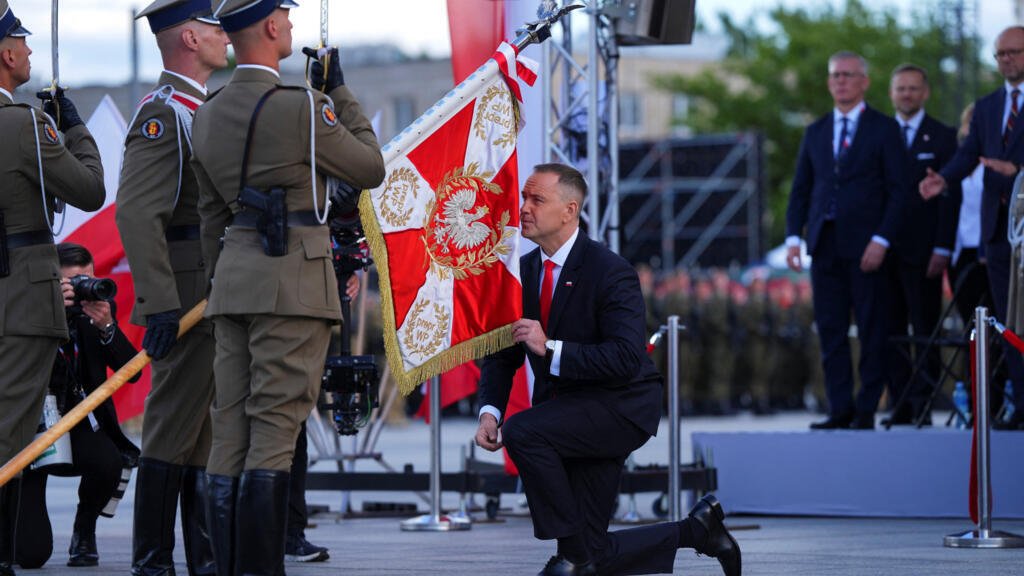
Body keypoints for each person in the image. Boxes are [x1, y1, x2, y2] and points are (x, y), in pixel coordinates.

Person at [190, 0, 384, 573]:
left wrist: (219, 282)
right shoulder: (303, 107)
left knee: (230, 429)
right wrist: (339, 93)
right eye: (288, 18)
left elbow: (209, 218)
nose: (293, 27)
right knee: (276, 429)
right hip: (292, 281)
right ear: (271, 27)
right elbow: (370, 166)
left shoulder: (208, 111)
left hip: (233, 281)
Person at [476, 163, 740, 576]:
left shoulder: (611, 271)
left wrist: (550, 348)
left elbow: (623, 357)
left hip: (618, 406)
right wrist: (490, 412)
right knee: (595, 553)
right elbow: (502, 353)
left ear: (570, 210)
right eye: (523, 198)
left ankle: (572, 554)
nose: (523, 208)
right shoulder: (521, 272)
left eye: (536, 199)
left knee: (524, 431)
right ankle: (697, 531)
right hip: (568, 413)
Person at [113, 2, 229, 574]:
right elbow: (137, 215)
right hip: (185, 294)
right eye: (214, 26)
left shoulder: (199, 107)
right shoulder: (163, 114)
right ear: (189, 35)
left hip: (214, 285)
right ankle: (153, 560)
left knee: (201, 432)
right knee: (170, 425)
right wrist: (159, 303)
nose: (223, 34)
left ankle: (203, 558)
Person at [0, 2, 106, 574]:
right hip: (19, 296)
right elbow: (90, 189)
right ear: (7, 53)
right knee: (11, 431)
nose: (31, 53)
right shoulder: (22, 123)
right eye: (23, 42)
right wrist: (71, 125)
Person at [785, 51, 907, 430]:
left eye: (848, 75)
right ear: (829, 82)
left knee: (872, 330)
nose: (841, 81)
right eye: (835, 75)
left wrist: (882, 239)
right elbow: (801, 189)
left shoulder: (884, 129)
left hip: (868, 247)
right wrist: (793, 237)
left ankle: (866, 408)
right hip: (824, 245)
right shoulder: (816, 131)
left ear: (864, 82)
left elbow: (900, 191)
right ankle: (839, 408)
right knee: (831, 330)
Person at [920, 26, 1024, 430]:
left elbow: (1009, 166)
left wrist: (1017, 172)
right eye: (1000, 54)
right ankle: (1020, 406)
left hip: (1022, 221)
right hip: (998, 235)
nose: (1007, 60)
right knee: (1010, 323)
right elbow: (967, 155)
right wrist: (944, 179)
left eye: (1014, 52)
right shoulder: (985, 107)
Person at [14, 243, 141, 570]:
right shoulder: (27, 312)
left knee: (110, 462)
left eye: (88, 279)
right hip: (31, 431)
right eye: (73, 283)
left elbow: (133, 371)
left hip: (79, 424)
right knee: (30, 555)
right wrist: (49, 314)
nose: (84, 289)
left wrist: (106, 328)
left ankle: (84, 530)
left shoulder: (95, 315)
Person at [883, 64, 958, 426]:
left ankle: (924, 404)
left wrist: (943, 246)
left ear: (925, 92)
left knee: (925, 329)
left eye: (913, 88)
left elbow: (950, 196)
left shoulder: (943, 136)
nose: (907, 94)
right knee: (890, 330)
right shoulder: (879, 134)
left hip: (925, 251)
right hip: (884, 252)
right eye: (901, 89)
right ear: (891, 94)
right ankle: (898, 404)